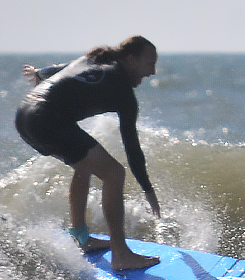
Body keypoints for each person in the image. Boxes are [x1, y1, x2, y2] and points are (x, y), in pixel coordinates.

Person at [17, 35, 161, 270]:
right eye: (149, 64)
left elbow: (63, 69)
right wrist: (147, 188)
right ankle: (121, 255)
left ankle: (81, 236)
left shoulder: (94, 59)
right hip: (47, 119)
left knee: (84, 165)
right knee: (114, 174)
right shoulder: (123, 91)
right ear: (131, 59)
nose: (152, 72)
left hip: (25, 115)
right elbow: (132, 146)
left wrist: (40, 73)